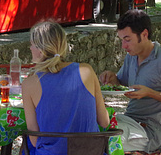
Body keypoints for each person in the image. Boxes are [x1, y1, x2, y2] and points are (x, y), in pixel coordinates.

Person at [99, 10, 161, 154]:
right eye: (121, 40)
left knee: (101, 140)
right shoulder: (132, 56)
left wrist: (151, 93)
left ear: (144, 34)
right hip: (129, 121)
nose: (123, 46)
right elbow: (122, 84)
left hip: (149, 132)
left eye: (127, 39)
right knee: (89, 126)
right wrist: (113, 79)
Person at [21, 20, 110, 154]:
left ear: (40, 50)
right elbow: (104, 122)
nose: (30, 48)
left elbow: (35, 140)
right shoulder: (87, 71)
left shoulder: (29, 84)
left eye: (31, 44)